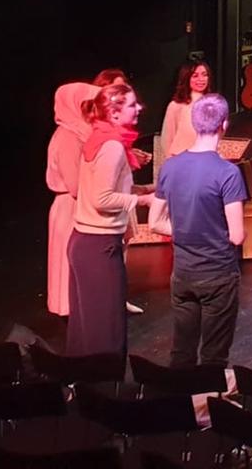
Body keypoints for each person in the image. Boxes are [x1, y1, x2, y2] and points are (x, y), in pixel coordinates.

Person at [151, 94, 247, 368]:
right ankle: (208, 395)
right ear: (224, 124)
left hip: (183, 273)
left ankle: (179, 395)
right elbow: (237, 235)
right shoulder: (227, 173)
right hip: (218, 274)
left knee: (182, 351)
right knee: (214, 356)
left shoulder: (170, 167)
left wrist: (187, 229)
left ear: (194, 124)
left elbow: (155, 222)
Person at [68, 83, 156, 357]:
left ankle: (84, 380)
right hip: (98, 244)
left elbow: (110, 187)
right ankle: (103, 382)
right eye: (132, 104)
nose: (139, 108)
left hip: (86, 242)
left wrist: (149, 188)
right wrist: (141, 201)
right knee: (106, 331)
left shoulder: (101, 137)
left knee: (88, 330)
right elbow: (102, 198)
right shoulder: (112, 147)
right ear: (114, 113)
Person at [45, 81, 101, 317]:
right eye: (88, 105)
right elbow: (75, 185)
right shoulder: (68, 137)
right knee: (69, 262)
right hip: (71, 206)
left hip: (78, 204)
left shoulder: (80, 133)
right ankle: (72, 311)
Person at [162, 61, 212, 160]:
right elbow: (167, 138)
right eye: (195, 76)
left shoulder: (212, 104)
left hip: (205, 159)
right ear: (186, 78)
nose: (201, 79)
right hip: (181, 159)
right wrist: (171, 162)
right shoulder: (176, 105)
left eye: (204, 75)